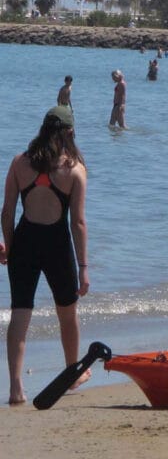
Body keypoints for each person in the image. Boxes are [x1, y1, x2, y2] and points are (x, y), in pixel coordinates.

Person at [2, 106, 89, 405]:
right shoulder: (75, 170)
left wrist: (10, 248)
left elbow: (7, 213)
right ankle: (72, 373)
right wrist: (84, 267)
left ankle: (15, 388)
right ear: (69, 133)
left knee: (20, 315)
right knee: (67, 314)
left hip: (25, 243)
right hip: (57, 247)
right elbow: (77, 223)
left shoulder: (18, 163)